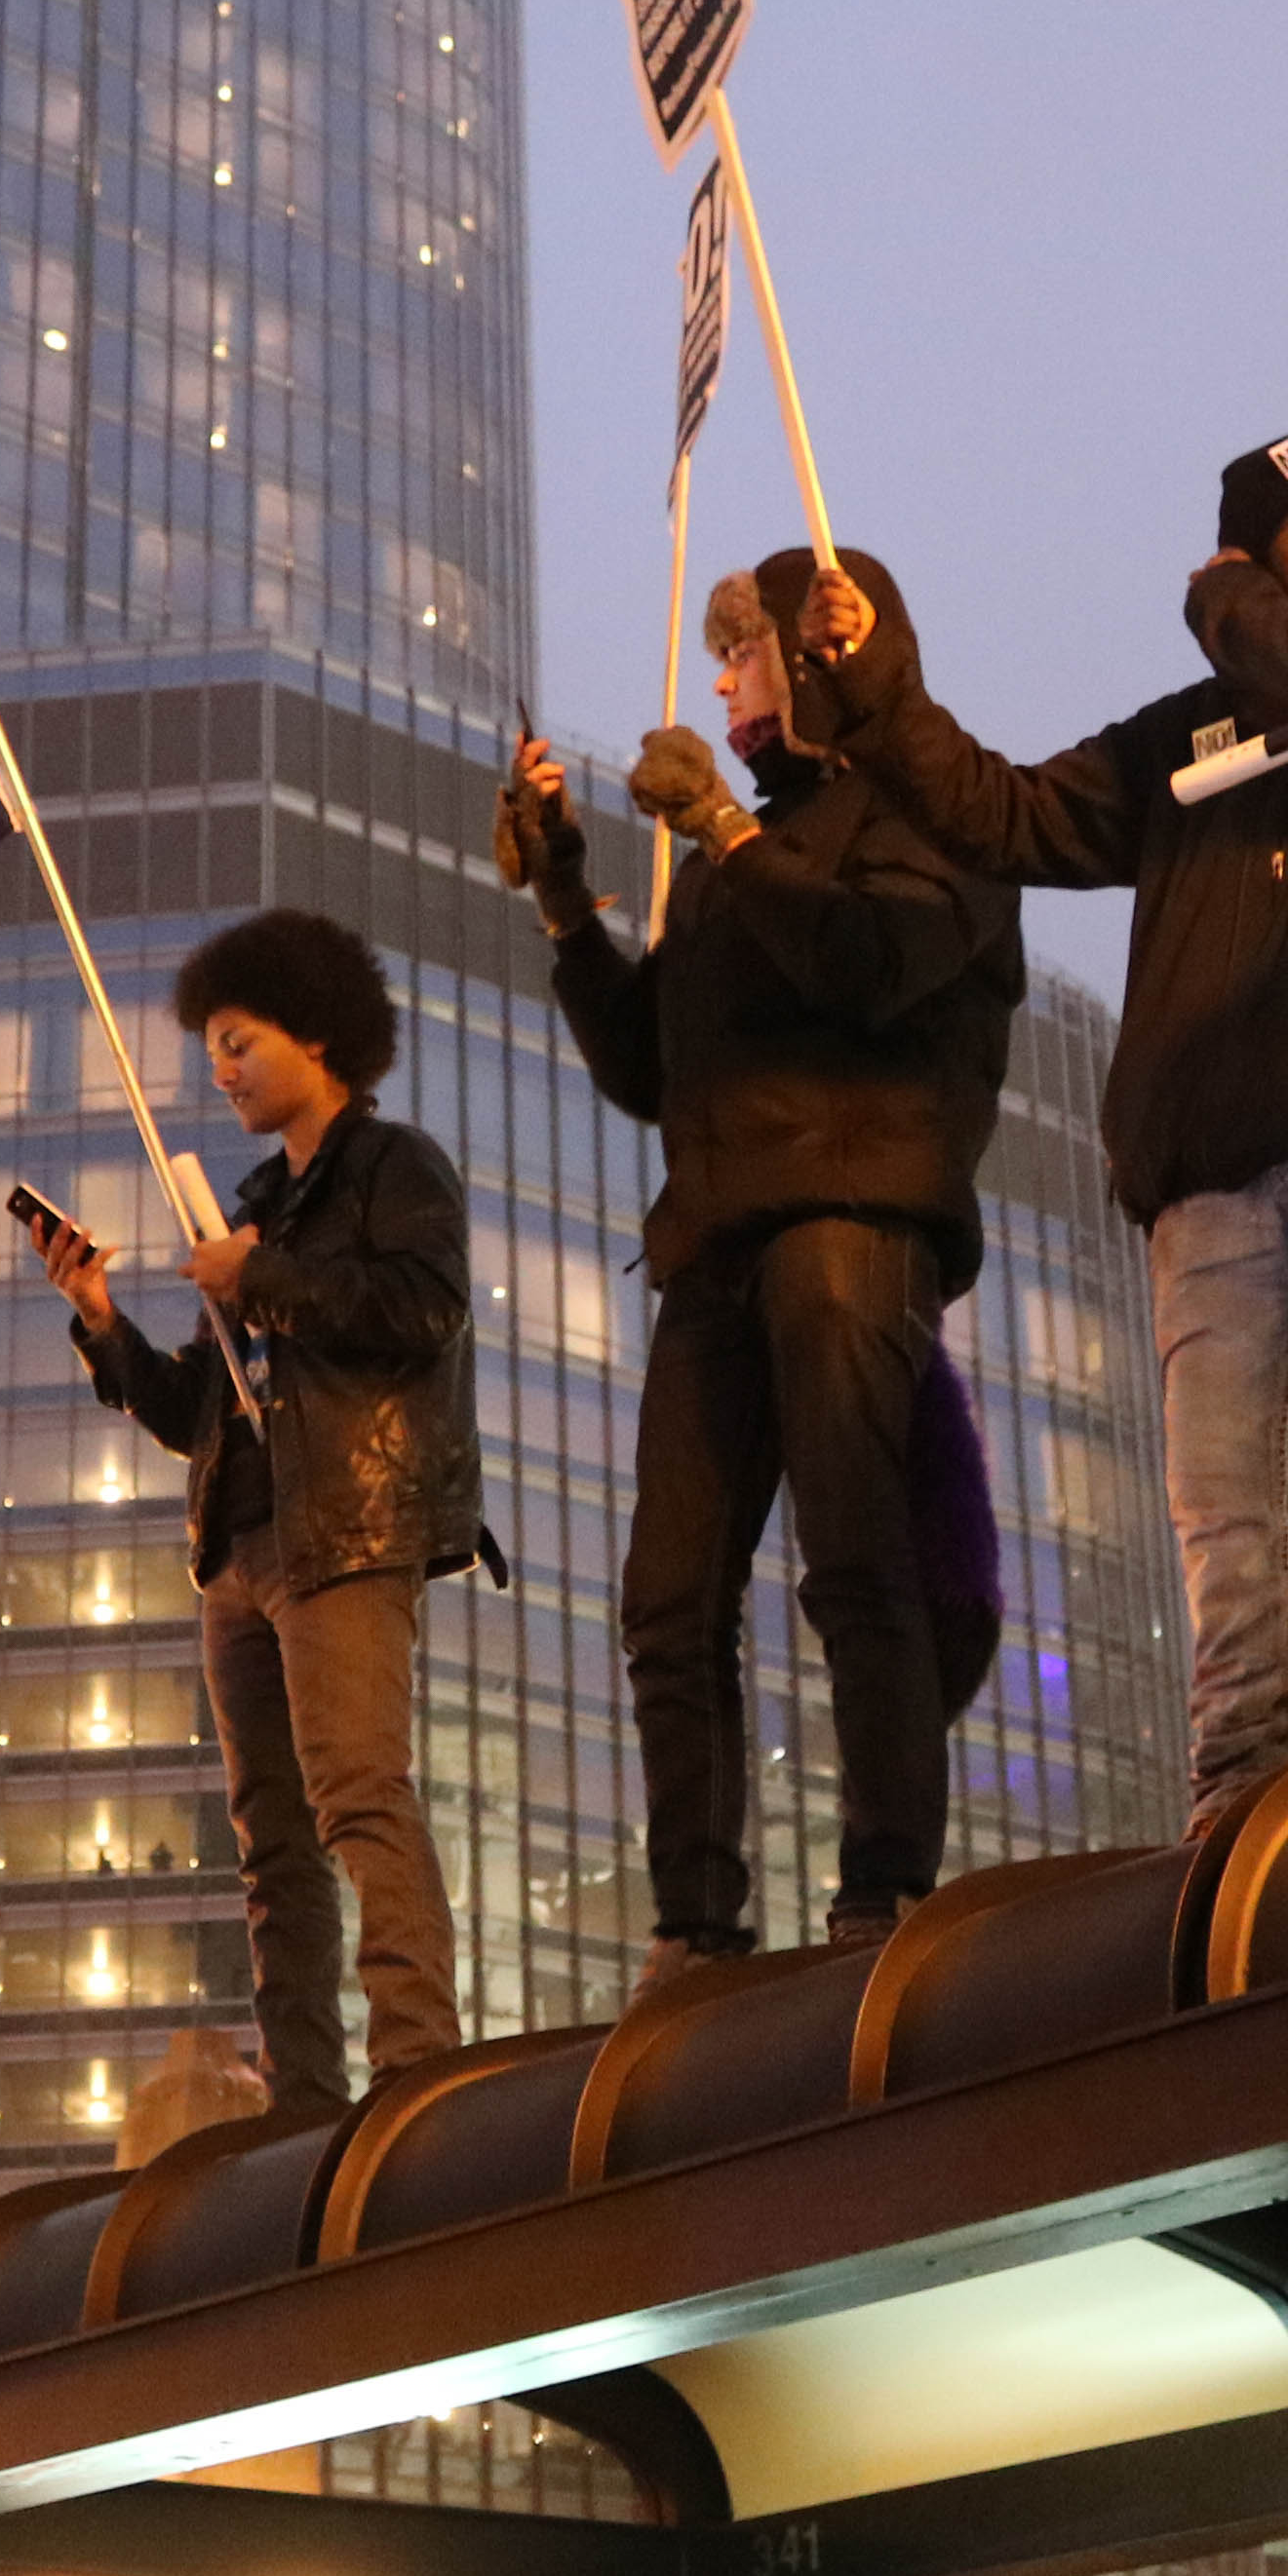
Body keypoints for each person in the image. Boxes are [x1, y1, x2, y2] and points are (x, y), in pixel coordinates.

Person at [789, 429, 1288, 1826]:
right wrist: (878, 678)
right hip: (1209, 1168)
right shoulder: (1186, 738)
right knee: (1220, 1502)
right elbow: (1009, 814)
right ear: (1249, 549)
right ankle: (1248, 1767)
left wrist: (1227, 604)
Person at [499, 550, 1026, 1973]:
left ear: (815, 659)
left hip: (855, 1213)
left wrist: (727, 828)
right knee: (669, 1596)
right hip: (715, 1239)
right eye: (721, 657)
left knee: (858, 1552)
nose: (721, 680)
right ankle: (697, 1928)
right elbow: (648, 1064)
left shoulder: (937, 808)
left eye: (743, 655)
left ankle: (885, 1891)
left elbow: (870, 964)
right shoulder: (739, 862)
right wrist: (565, 898)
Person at [25, 907, 487, 2113]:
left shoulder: (398, 1170)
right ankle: (305, 2099)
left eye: (240, 1042)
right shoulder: (248, 1209)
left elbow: (426, 1309)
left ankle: (416, 2071)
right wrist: (101, 1318)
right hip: (239, 1541)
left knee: (358, 1793)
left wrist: (261, 1278)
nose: (220, 1068)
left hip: (346, 1531)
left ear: (319, 1037)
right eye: (213, 1048)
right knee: (271, 1844)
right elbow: (199, 1410)